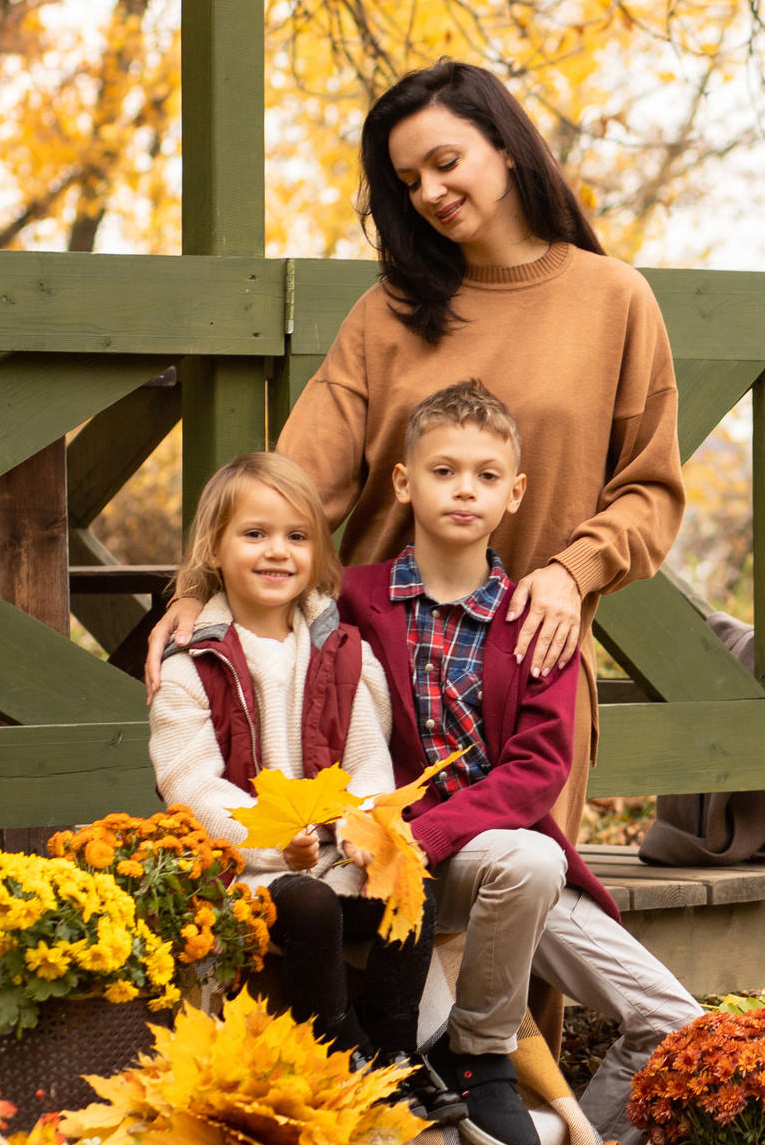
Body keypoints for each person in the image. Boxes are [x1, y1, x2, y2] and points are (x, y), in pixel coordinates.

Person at [144, 59, 687, 846]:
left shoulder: (614, 299)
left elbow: (652, 490)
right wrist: (200, 589)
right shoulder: (386, 315)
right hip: (370, 668)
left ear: (505, 147)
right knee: (374, 916)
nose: (428, 192)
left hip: (525, 670)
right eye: (407, 180)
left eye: (445, 162)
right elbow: (293, 485)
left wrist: (576, 572)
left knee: (521, 896)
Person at [334, 378, 702, 1145]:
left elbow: (538, 770)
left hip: (493, 856)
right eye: (442, 470)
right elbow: (256, 603)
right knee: (527, 859)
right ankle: (482, 1052)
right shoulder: (352, 599)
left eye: (486, 475)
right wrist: (192, 600)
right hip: (388, 862)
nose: (464, 488)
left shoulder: (536, 616)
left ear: (515, 493)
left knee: (674, 1023)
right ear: (403, 481)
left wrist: (429, 834)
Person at [145, 452, 466, 1130]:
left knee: (412, 885)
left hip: (332, 853)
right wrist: (268, 840)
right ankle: (341, 1046)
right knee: (312, 903)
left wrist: (357, 832)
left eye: (296, 536)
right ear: (215, 548)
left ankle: (396, 1050)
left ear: (317, 551)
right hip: (248, 871)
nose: (276, 551)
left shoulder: (344, 652)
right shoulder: (194, 664)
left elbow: (368, 764)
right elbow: (190, 780)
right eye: (254, 534)